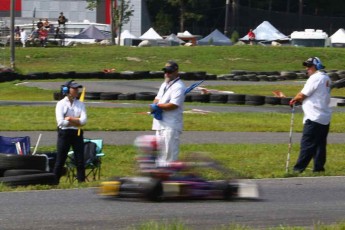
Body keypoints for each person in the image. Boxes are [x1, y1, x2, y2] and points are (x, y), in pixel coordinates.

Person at [289, 57, 332, 173]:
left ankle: (298, 170)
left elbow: (303, 94)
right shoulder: (326, 77)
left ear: (316, 66)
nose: (307, 69)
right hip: (324, 117)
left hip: (314, 117)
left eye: (309, 66)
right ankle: (318, 169)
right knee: (319, 145)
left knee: (307, 144)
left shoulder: (315, 78)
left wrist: (294, 100)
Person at [150, 61, 186, 166]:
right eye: (165, 71)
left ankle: (171, 176)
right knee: (160, 153)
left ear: (176, 72)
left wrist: (157, 106)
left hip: (170, 125)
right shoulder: (164, 84)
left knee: (169, 154)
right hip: (160, 123)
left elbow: (173, 105)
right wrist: (155, 105)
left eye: (169, 71)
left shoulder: (178, 86)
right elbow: (157, 98)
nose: (167, 74)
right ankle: (160, 175)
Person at [54, 80, 87, 184]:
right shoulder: (61, 104)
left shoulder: (80, 104)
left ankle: (81, 182)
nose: (77, 91)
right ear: (67, 90)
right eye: (74, 89)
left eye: (78, 89)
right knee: (60, 160)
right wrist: (76, 121)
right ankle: (54, 182)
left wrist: (69, 119)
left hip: (77, 134)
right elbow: (61, 122)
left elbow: (84, 121)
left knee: (80, 160)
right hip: (64, 134)